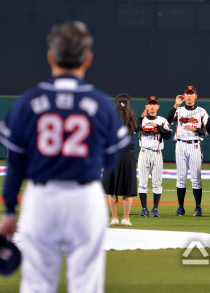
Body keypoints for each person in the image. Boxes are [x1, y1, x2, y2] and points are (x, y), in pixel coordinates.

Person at [0, 21, 131, 292]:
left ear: (50, 56)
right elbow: (110, 159)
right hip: (84, 198)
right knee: (86, 284)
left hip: (41, 199)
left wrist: (10, 210)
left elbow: (15, 164)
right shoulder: (100, 105)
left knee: (37, 284)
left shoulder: (27, 102)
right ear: (88, 58)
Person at [166, 86, 208, 216]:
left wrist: (195, 129)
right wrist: (175, 106)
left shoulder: (201, 111)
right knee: (181, 178)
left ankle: (198, 207)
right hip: (180, 145)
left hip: (195, 145)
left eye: (192, 93)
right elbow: (167, 122)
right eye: (187, 93)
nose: (189, 96)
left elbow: (208, 131)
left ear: (196, 96)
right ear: (184, 96)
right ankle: (180, 207)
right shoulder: (179, 110)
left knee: (196, 178)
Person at [103, 94, 140, 226]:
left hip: (113, 155)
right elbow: (138, 127)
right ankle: (126, 218)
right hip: (128, 155)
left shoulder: (110, 117)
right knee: (127, 189)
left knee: (113, 189)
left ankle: (114, 218)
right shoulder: (132, 118)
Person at [137, 95, 172, 217]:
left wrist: (157, 126)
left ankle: (155, 209)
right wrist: (141, 118)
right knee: (142, 182)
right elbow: (135, 128)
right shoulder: (142, 120)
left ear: (158, 106)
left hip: (157, 153)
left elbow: (168, 136)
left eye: (154, 104)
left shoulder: (162, 120)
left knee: (157, 182)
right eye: (150, 104)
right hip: (144, 152)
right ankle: (144, 209)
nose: (152, 106)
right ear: (146, 106)